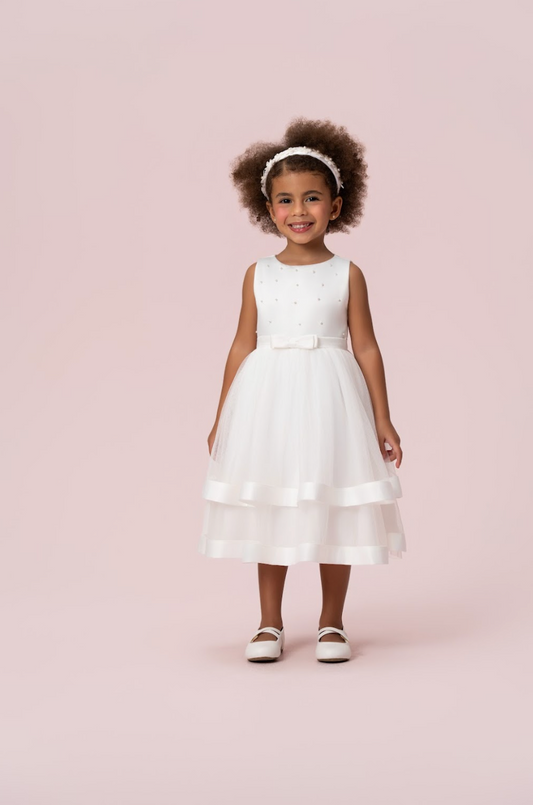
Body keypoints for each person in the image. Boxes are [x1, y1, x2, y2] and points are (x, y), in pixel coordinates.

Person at [198, 116, 406, 664]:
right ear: (268, 209)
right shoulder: (257, 274)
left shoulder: (347, 274)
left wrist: (382, 418)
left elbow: (367, 348)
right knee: (274, 506)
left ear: (335, 206)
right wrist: (223, 418)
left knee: (334, 506)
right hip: (267, 402)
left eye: (312, 198)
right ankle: (269, 623)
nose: (299, 211)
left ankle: (332, 622)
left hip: (332, 401)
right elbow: (241, 345)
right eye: (286, 200)